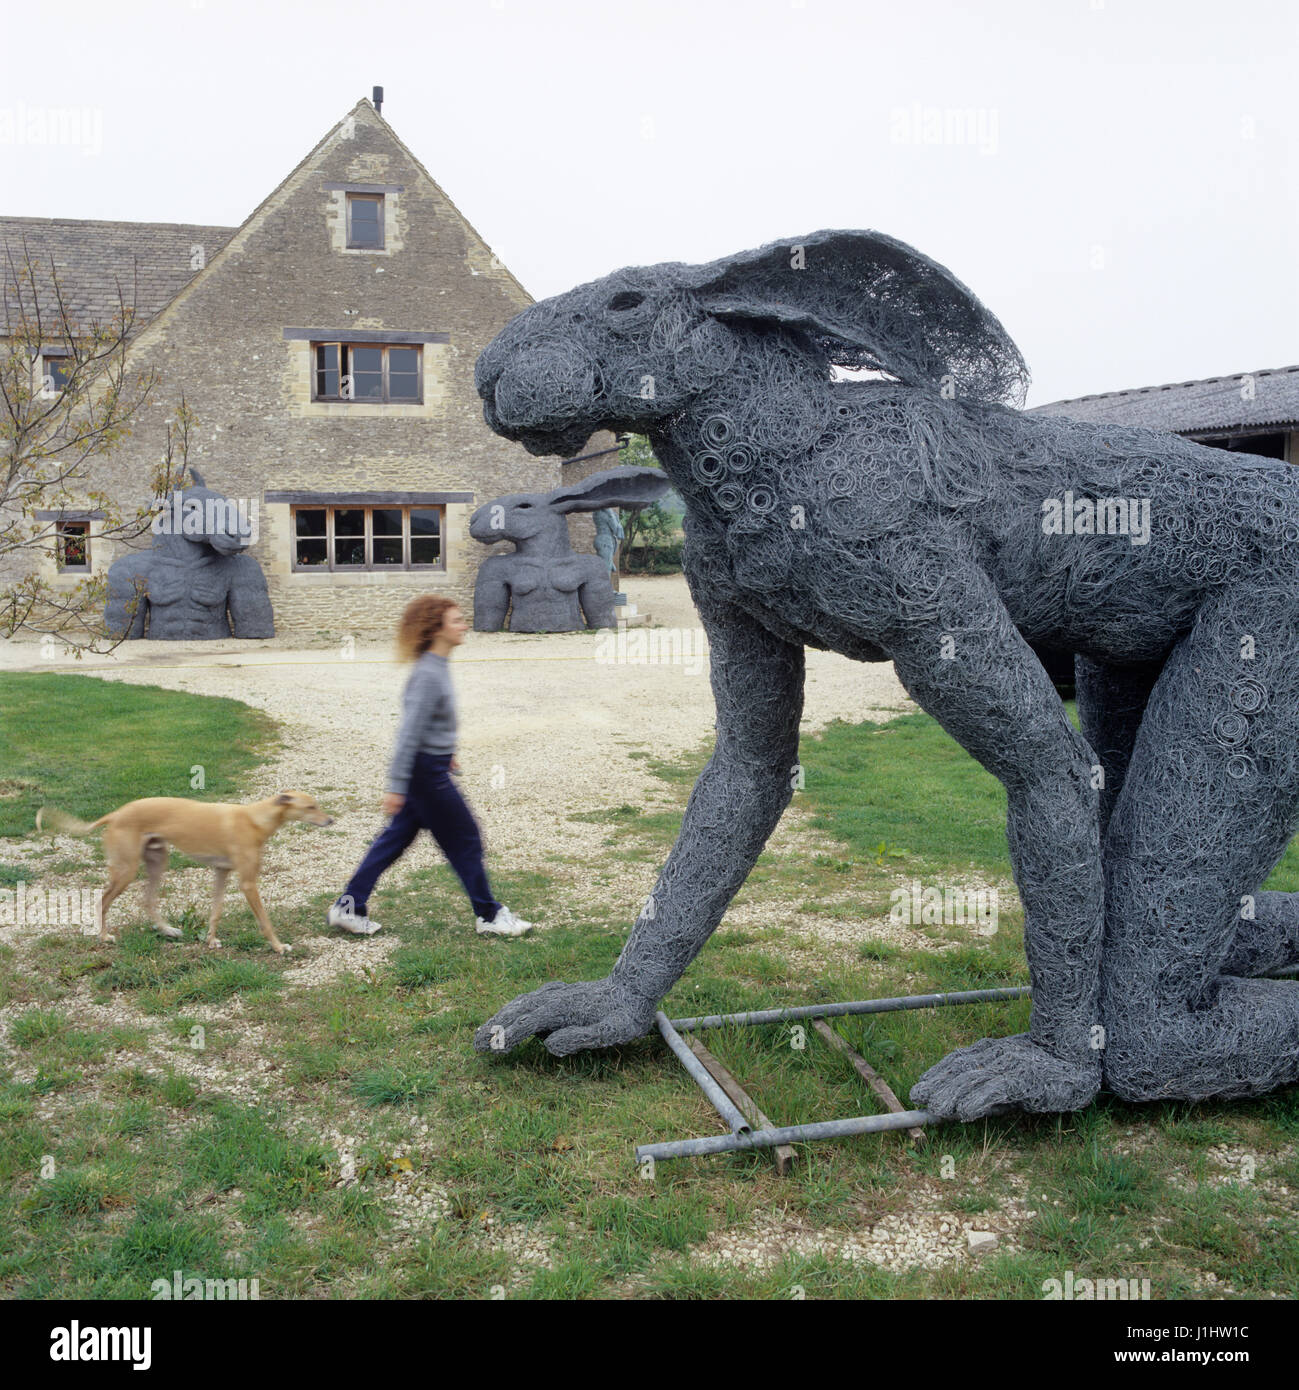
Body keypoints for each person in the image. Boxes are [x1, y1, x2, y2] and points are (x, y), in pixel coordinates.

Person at [328, 595, 532, 938]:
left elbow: (429, 724)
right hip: (425, 775)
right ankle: (490, 915)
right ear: (436, 629)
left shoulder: (436, 666)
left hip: (429, 767)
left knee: (394, 841)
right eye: (456, 621)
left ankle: (348, 907)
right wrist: (396, 785)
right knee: (465, 838)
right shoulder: (428, 673)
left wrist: (446, 751)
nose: (463, 625)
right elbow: (408, 733)